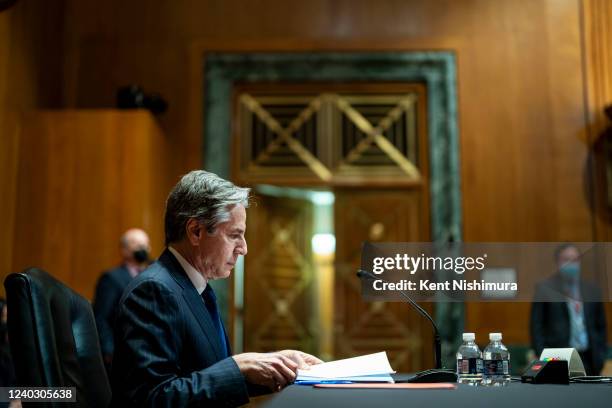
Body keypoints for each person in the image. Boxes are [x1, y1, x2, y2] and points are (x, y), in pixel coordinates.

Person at [111, 170, 322, 406]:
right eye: (235, 235)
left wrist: (273, 365)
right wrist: (236, 368)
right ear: (196, 232)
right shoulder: (153, 290)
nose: (243, 248)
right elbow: (153, 398)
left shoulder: (197, 288)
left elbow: (203, 376)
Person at [530, 243, 608, 375]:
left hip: (590, 358)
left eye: (575, 259)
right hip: (558, 358)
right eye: (566, 259)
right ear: (558, 262)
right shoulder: (545, 289)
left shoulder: (592, 290)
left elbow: (601, 326)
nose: (572, 263)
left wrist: (600, 355)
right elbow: (536, 326)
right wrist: (543, 356)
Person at [93, 228, 151, 373]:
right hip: (121, 354)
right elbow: (101, 317)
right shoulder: (111, 278)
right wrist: (108, 352)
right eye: (136, 244)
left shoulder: (154, 275)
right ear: (124, 250)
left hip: (148, 353)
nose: (142, 248)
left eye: (145, 244)